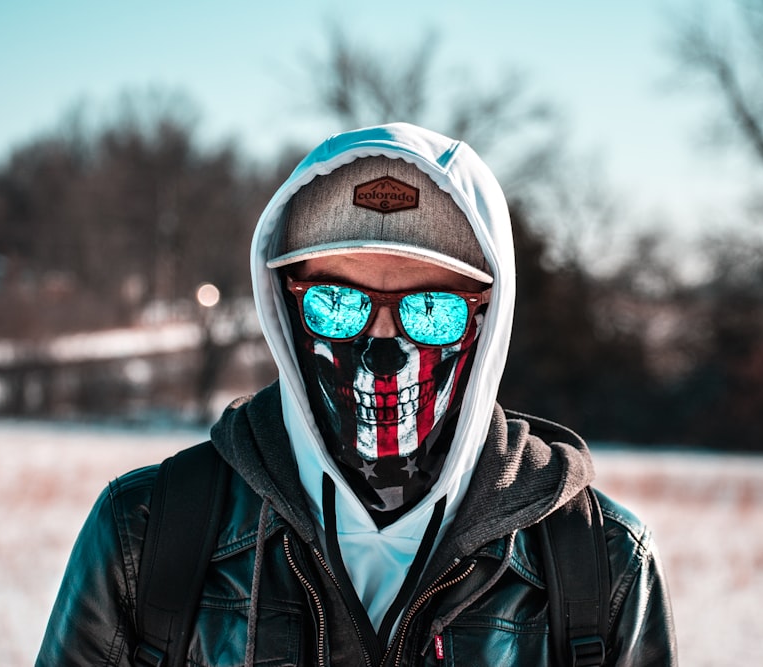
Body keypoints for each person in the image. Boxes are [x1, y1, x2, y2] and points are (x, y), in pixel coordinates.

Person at [36, 122, 677, 666]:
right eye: (338, 301)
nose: (382, 343)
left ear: (488, 318)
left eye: (430, 309)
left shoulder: (600, 567)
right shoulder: (147, 534)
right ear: (285, 306)